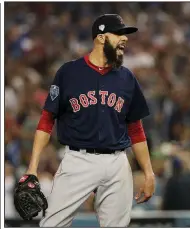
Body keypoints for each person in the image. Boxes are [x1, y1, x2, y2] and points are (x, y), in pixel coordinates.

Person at [18, 14, 155, 227]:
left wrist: (148, 173)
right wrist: (33, 167)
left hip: (117, 162)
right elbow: (46, 120)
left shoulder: (127, 78)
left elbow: (136, 129)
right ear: (100, 38)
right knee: (52, 225)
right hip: (78, 160)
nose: (125, 39)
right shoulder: (69, 73)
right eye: (118, 34)